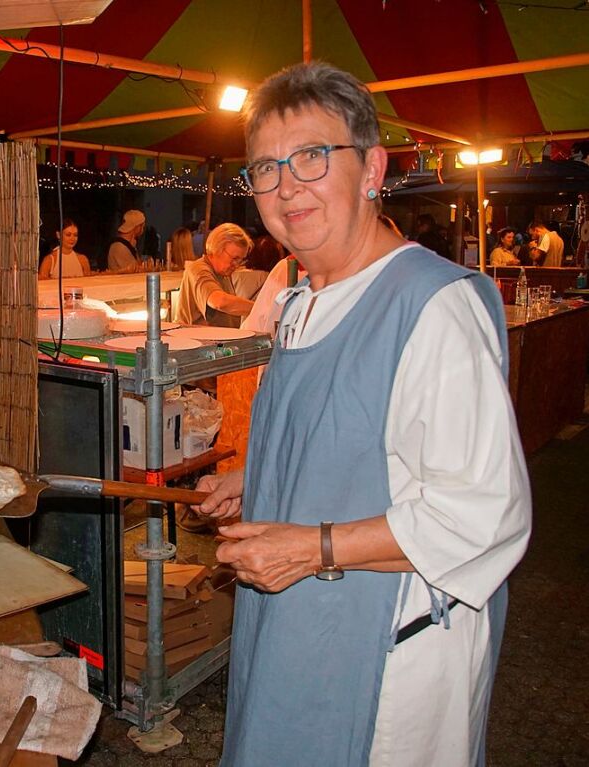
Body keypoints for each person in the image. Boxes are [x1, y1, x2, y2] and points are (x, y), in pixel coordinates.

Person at [192, 61, 531, 766]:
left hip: (385, 645)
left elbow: (484, 512)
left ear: (371, 166)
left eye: (312, 157)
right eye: (264, 168)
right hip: (292, 620)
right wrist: (258, 478)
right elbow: (343, 439)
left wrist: (308, 547)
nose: (286, 187)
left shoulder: (431, 306)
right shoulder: (298, 297)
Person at [172, 223, 254, 327]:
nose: (237, 265)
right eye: (234, 258)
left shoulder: (223, 272)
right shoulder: (199, 269)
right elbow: (218, 301)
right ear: (217, 249)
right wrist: (259, 308)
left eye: (241, 260)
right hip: (196, 341)